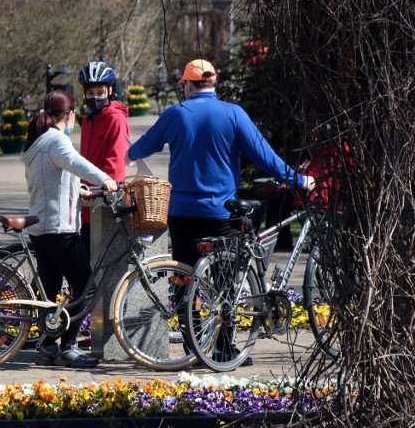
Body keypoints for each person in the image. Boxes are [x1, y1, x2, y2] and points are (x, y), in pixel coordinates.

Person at [126, 59, 315, 366]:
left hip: (182, 213)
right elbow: (265, 156)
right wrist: (298, 180)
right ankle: (224, 349)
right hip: (221, 214)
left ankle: (194, 348)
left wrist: (132, 154)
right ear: (214, 84)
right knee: (225, 281)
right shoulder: (233, 114)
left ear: (187, 85)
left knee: (185, 279)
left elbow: (139, 150)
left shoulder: (177, 113)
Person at [20, 89, 117, 368]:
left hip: (40, 226)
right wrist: (106, 179)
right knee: (85, 287)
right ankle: (69, 347)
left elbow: (54, 176)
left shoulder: (37, 141)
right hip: (60, 228)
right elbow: (75, 163)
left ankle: (48, 345)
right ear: (70, 114)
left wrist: (80, 190)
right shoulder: (57, 140)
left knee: (49, 289)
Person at [78, 61, 130, 257]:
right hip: (85, 198)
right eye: (90, 93)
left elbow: (116, 160)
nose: (95, 98)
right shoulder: (87, 120)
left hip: (101, 198)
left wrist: (100, 188)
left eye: (100, 92)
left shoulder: (115, 119)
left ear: (109, 90)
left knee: (98, 259)